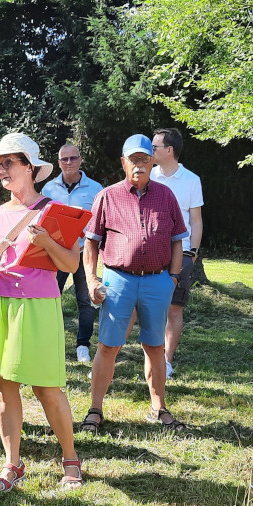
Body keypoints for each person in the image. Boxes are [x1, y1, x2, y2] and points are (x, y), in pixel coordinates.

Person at [0, 134, 82, 491]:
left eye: (10, 163)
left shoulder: (55, 212)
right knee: (4, 387)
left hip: (38, 306)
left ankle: (70, 459)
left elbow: (70, 264)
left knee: (47, 387)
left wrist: (48, 242)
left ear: (31, 169)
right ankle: (12, 464)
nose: (2, 170)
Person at [81, 135, 187, 433]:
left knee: (155, 346)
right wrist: (92, 279)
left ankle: (159, 406)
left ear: (153, 162)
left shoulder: (166, 196)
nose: (139, 165)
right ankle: (95, 408)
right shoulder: (107, 196)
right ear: (123, 163)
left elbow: (178, 240)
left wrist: (173, 278)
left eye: (144, 159)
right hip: (118, 280)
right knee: (107, 346)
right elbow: (91, 243)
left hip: (157, 281)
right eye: (133, 159)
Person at [149, 128, 204, 378]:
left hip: (180, 252)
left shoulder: (191, 180)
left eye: (155, 147)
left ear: (169, 150)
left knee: (174, 308)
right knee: (140, 306)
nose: (151, 151)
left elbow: (196, 219)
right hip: (149, 251)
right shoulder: (149, 176)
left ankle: (166, 361)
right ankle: (113, 357)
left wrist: (192, 251)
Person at [42, 143, 103, 364]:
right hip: (56, 253)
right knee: (49, 298)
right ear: (58, 162)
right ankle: (51, 342)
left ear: (80, 160)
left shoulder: (96, 189)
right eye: (64, 159)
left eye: (73, 158)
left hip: (83, 252)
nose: (69, 163)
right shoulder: (48, 189)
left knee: (86, 301)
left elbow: (99, 223)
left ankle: (83, 345)